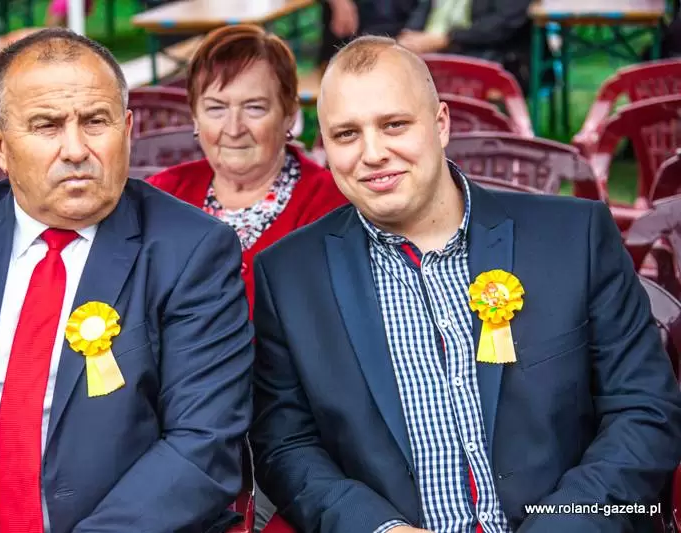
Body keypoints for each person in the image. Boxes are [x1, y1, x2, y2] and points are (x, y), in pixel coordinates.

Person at [250, 35, 681, 533]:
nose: (373, 153)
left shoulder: (573, 237)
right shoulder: (288, 276)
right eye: (346, 134)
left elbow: (645, 410)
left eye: (394, 125)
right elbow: (286, 444)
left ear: (441, 124)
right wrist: (377, 528)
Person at [0, 28, 253, 533]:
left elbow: (202, 444)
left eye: (95, 121)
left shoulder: (191, 250)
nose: (76, 149)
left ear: (126, 129)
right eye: (47, 125)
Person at [148, 24, 347, 316]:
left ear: (289, 116)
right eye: (216, 108)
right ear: (195, 117)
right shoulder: (161, 194)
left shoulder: (329, 205)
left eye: (254, 108)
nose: (234, 129)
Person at [396, 0, 532, 89]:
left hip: (481, 53)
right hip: (425, 49)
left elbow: (502, 23)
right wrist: (410, 33)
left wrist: (448, 39)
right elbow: (422, 8)